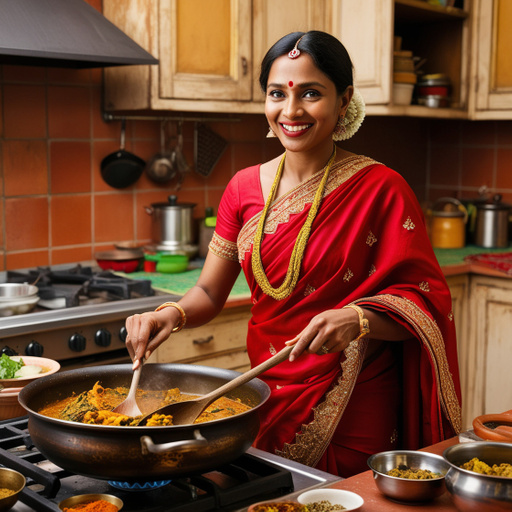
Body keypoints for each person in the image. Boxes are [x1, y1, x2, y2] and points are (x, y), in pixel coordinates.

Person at [125, 30, 462, 478]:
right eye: (277, 93)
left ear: (344, 101)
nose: (291, 110)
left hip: (355, 396)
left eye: (310, 93)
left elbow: (426, 304)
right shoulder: (242, 188)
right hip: (264, 388)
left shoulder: (382, 188)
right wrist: (169, 314)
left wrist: (357, 319)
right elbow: (208, 290)